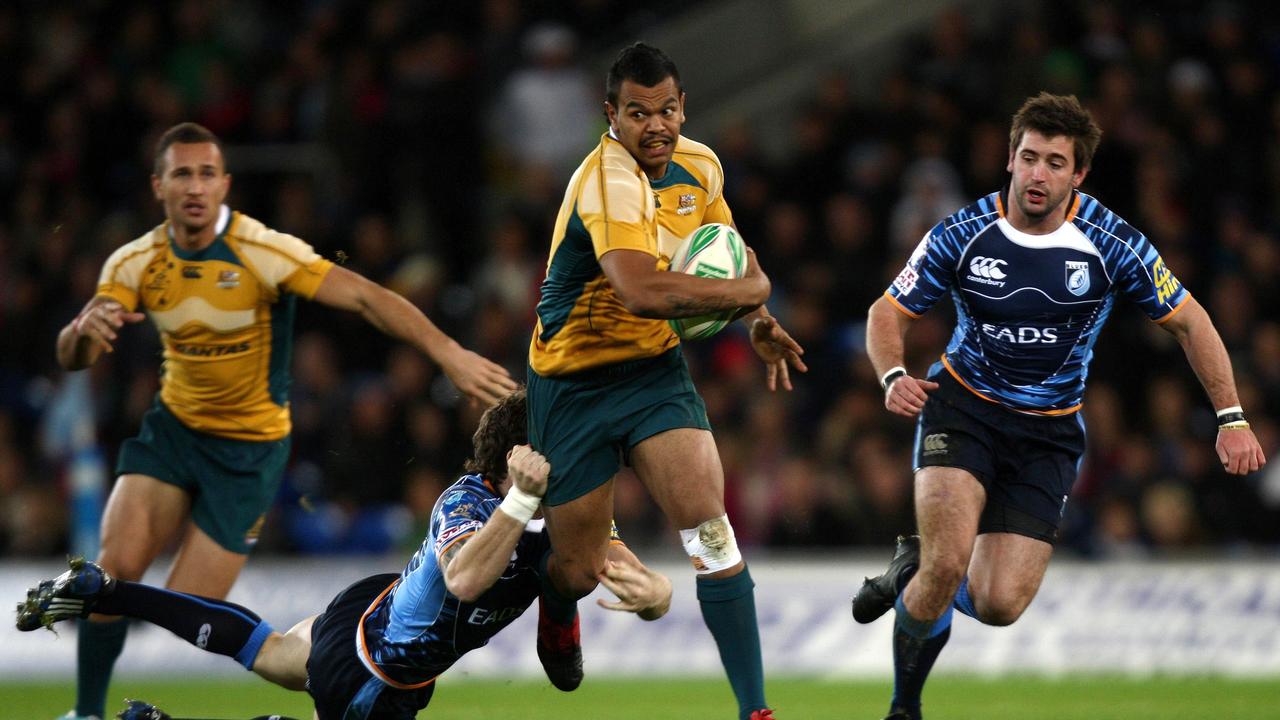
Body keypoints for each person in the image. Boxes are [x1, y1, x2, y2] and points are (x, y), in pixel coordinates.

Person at [54, 122, 518, 720]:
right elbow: (79, 353)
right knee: (113, 572)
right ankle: (87, 713)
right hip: (172, 433)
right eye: (180, 174)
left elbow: (365, 297)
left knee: (188, 603)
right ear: (158, 185)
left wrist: (448, 354)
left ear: (224, 184)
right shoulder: (135, 261)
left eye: (205, 173)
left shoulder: (262, 251)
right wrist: (76, 335)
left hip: (248, 453)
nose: (194, 186)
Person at [852, 92, 1268, 720]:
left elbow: (1192, 324)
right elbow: (889, 310)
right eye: (1027, 158)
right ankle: (903, 708)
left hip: (1047, 434)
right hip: (962, 408)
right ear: (1009, 161)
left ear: (1079, 174)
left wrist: (1231, 416)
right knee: (946, 565)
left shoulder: (1111, 242)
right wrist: (890, 374)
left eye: (1054, 162)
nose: (1037, 174)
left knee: (998, 603)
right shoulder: (963, 233)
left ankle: (909, 572)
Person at [18, 390, 673, 720]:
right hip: (377, 670)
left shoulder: (564, 514)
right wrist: (520, 503)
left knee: (272, 654)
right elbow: (467, 578)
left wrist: (658, 597)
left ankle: (109, 591)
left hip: (374, 613)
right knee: (282, 666)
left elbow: (632, 575)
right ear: (519, 459)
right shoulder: (469, 502)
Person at [525, 43, 806, 720]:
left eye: (668, 109)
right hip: (573, 383)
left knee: (712, 532)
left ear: (684, 106)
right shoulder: (605, 180)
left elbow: (727, 252)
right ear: (611, 116)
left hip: (654, 374)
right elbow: (643, 290)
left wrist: (757, 313)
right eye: (638, 112)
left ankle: (755, 711)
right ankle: (558, 602)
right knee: (579, 565)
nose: (656, 125)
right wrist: (754, 289)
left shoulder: (701, 165)